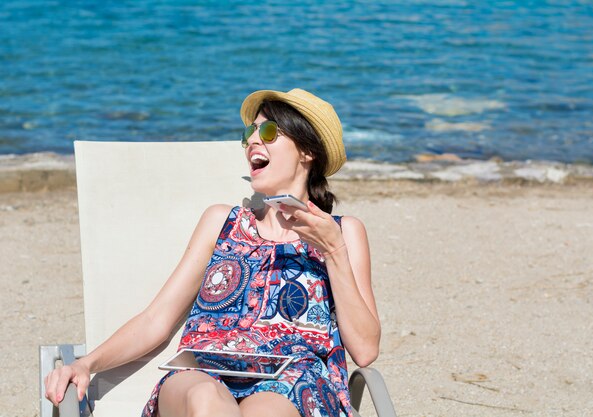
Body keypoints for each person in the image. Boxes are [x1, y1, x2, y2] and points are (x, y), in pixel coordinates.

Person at [44, 88, 381, 417]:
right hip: (203, 372)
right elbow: (156, 319)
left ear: (307, 151)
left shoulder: (343, 233)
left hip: (294, 383)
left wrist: (333, 249)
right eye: (249, 133)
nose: (251, 141)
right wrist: (87, 363)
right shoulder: (221, 222)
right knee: (205, 398)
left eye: (267, 131)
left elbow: (365, 350)